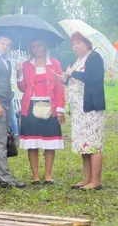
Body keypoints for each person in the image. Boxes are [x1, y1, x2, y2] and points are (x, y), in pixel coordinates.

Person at [17, 38, 65, 185]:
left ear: (44, 46)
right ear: (30, 48)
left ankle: (48, 175)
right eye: (33, 46)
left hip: (49, 105)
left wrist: (60, 109)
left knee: (49, 142)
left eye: (39, 45)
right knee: (32, 142)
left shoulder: (55, 63)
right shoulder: (25, 65)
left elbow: (59, 87)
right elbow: (22, 88)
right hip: (30, 105)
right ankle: (35, 176)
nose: (36, 48)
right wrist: (19, 73)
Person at [64, 32, 106, 190]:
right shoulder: (77, 60)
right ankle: (87, 178)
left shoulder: (94, 57)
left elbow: (92, 78)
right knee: (84, 143)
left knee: (93, 143)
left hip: (91, 106)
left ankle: (96, 181)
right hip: (78, 110)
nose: (75, 46)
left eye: (77, 43)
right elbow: (75, 79)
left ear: (86, 43)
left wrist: (71, 73)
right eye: (72, 44)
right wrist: (66, 78)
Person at [0, 35, 25, 189]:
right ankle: (5, 177)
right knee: (0, 141)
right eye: (3, 43)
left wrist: (18, 72)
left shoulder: (6, 60)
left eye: (8, 44)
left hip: (7, 101)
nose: (6, 47)